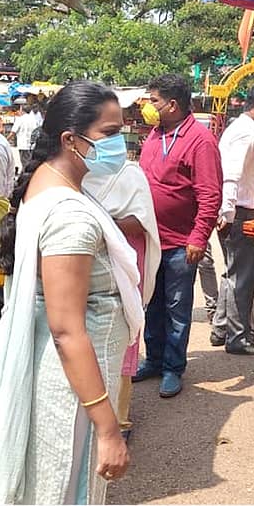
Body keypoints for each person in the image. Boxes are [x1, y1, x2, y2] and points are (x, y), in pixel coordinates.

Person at [0, 82, 143, 504]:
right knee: (66, 485)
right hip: (74, 387)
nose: (123, 143)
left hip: (62, 373)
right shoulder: (70, 219)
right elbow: (67, 330)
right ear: (70, 139)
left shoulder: (47, 182)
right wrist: (107, 426)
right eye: (111, 133)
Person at [134, 74, 222, 398]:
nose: (148, 106)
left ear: (172, 105)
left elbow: (210, 195)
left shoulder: (200, 140)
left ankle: (173, 368)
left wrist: (199, 237)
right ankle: (154, 360)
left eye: (154, 100)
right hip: (151, 240)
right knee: (151, 305)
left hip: (181, 244)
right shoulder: (155, 135)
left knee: (176, 308)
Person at [84, 159, 161, 441]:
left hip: (125, 260)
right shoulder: (78, 171)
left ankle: (120, 419)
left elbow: (142, 221)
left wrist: (104, 223)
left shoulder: (130, 174)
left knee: (124, 337)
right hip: (89, 260)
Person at [210, 84, 254, 355]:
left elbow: (252, 176)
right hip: (240, 213)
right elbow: (232, 175)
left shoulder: (244, 131)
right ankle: (238, 338)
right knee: (244, 277)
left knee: (232, 273)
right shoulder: (245, 135)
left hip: (237, 210)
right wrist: (227, 212)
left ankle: (221, 327)